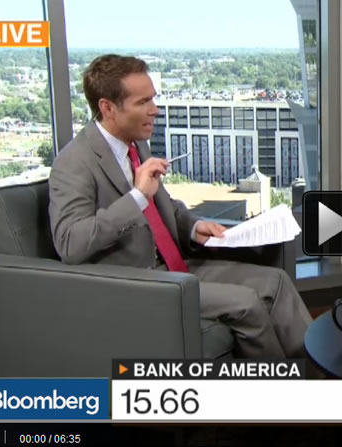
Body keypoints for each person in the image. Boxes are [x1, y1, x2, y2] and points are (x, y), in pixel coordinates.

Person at [48, 54, 312, 358]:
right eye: (143, 102)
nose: (155, 109)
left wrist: (193, 225)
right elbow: (70, 243)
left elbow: (164, 206)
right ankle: (282, 384)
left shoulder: (135, 144)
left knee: (276, 283)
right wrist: (137, 196)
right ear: (107, 107)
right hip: (135, 283)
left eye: (153, 98)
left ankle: (318, 372)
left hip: (174, 265)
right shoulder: (74, 162)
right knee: (247, 304)